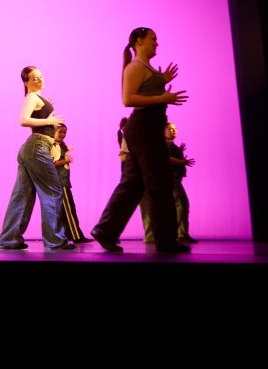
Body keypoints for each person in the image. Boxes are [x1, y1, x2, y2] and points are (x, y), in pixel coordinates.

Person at [90, 27, 190, 254]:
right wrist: (163, 97)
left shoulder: (145, 68)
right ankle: (165, 241)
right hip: (144, 129)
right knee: (159, 183)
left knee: (133, 184)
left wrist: (161, 80)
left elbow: (146, 91)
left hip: (146, 128)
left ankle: (105, 231)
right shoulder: (135, 67)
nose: (157, 43)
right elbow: (128, 99)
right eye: (153, 39)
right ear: (139, 41)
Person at [0, 67, 73, 250]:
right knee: (53, 192)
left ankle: (9, 240)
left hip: (32, 149)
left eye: (41, 77)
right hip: (37, 148)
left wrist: (46, 112)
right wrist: (49, 121)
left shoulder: (37, 98)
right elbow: (23, 120)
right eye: (35, 78)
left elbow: (36, 118)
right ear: (26, 82)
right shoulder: (31, 97)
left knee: (22, 196)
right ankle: (55, 241)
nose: (39, 80)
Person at [139, 122, 198, 244]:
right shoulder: (164, 144)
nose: (174, 130)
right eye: (170, 129)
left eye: (175, 128)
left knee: (177, 204)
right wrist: (182, 162)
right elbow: (165, 159)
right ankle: (181, 234)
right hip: (170, 178)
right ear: (163, 131)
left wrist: (179, 154)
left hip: (172, 178)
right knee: (181, 202)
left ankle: (178, 233)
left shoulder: (171, 145)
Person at [51, 124, 92, 244]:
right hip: (60, 183)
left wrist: (66, 152)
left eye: (64, 132)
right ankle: (76, 236)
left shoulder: (61, 145)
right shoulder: (54, 145)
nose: (63, 134)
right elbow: (51, 163)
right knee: (69, 210)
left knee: (67, 210)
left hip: (64, 182)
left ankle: (70, 235)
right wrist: (66, 160)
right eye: (60, 131)